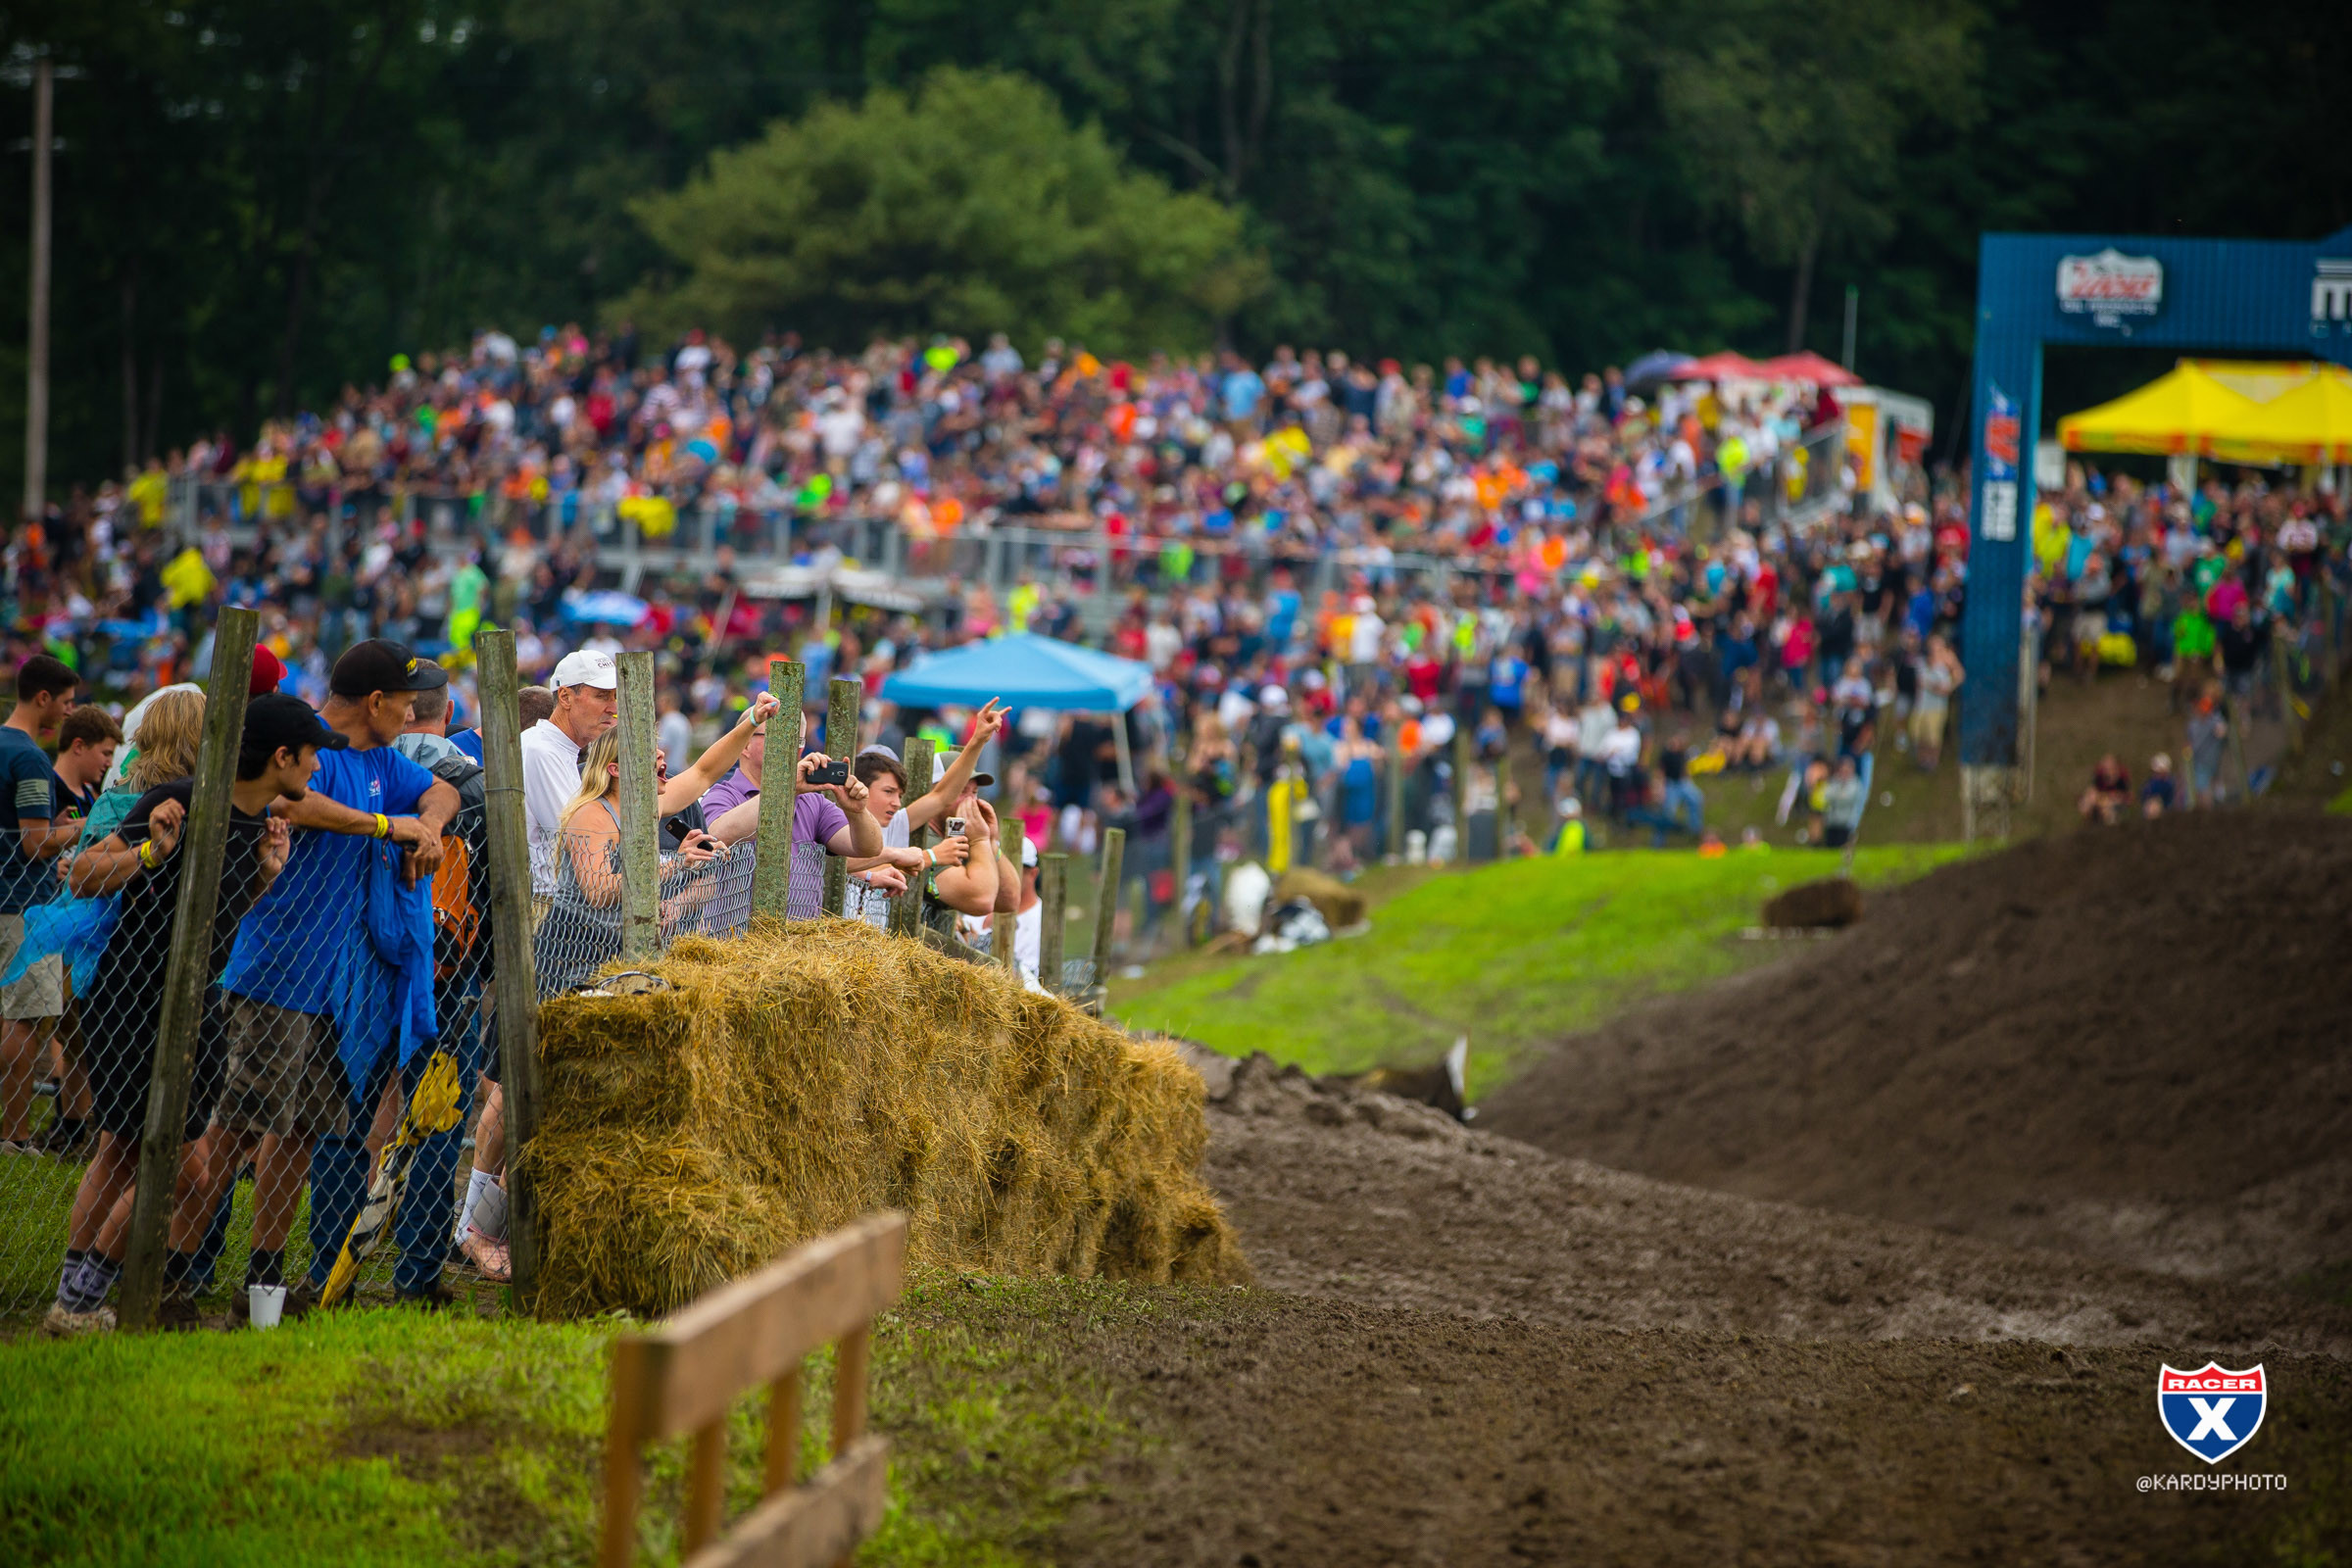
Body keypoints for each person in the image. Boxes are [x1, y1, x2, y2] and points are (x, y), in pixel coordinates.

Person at [42, 694, 312, 1334]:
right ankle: (81, 1301)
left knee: (126, 1155)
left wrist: (267, 876)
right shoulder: (184, 800)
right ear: (281, 756)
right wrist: (151, 854)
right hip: (134, 996)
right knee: (181, 1169)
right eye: (312, 756)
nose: (317, 770)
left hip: (198, 1002)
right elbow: (80, 873)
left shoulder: (257, 823)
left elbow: (218, 917)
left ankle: (72, 1303)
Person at [212, 641, 462, 1314]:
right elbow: (291, 807)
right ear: (375, 702)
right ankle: (175, 1273)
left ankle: (263, 1286)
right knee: (232, 1135)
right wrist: (387, 826)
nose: (414, 715)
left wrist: (427, 829)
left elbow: (441, 790)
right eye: (407, 703)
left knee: (297, 1136)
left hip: (332, 986)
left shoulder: (382, 757)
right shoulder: (307, 747)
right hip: (275, 971)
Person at [0, 656, 82, 1153]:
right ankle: (14, 1133)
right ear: (44, 698)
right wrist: (76, 829)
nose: (70, 713)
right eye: (68, 702)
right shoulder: (28, 757)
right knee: (26, 1017)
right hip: (22, 900)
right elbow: (35, 842)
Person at [523, 651, 619, 896]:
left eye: (616, 697)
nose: (614, 708)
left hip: (561, 905)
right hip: (548, 909)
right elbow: (581, 840)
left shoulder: (557, 748)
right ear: (565, 697)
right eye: (602, 696)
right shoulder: (541, 750)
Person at [1908, 635, 1963, 771]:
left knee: (1933, 734)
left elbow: (1959, 676)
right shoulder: (1923, 661)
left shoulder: (1947, 660)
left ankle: (1932, 762)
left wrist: (1948, 688)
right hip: (1922, 703)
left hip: (1937, 705)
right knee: (1919, 733)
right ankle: (1921, 760)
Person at [2078, 754, 2132, 825]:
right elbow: (2093, 789)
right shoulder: (2099, 777)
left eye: (2110, 767)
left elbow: (2125, 796)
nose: (2107, 770)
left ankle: (2109, 828)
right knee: (2086, 804)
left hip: (2115, 802)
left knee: (2106, 809)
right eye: (2105, 767)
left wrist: (2109, 798)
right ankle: (2091, 824)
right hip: (2101, 799)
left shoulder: (2121, 779)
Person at [2140, 753, 2178, 817]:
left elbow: (2169, 799)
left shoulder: (2169, 783)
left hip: (2163, 809)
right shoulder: (2151, 782)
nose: (2158, 774)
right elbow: (2144, 794)